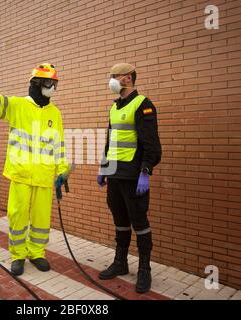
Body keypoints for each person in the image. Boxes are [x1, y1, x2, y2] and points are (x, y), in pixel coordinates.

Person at [0, 63, 71, 276]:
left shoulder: (55, 113)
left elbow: (59, 144)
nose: (53, 88)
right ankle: (18, 255)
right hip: (20, 173)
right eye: (49, 83)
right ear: (36, 83)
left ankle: (37, 253)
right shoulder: (18, 105)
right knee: (18, 215)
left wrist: (62, 170)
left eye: (55, 83)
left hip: (45, 175)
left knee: (41, 218)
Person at [98, 63, 162, 293]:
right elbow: (111, 141)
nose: (111, 80)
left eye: (114, 76)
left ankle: (145, 270)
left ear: (127, 78)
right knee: (120, 221)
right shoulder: (115, 107)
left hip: (134, 176)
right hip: (115, 175)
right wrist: (104, 167)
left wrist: (145, 172)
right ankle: (120, 262)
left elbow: (152, 144)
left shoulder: (143, 104)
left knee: (140, 223)